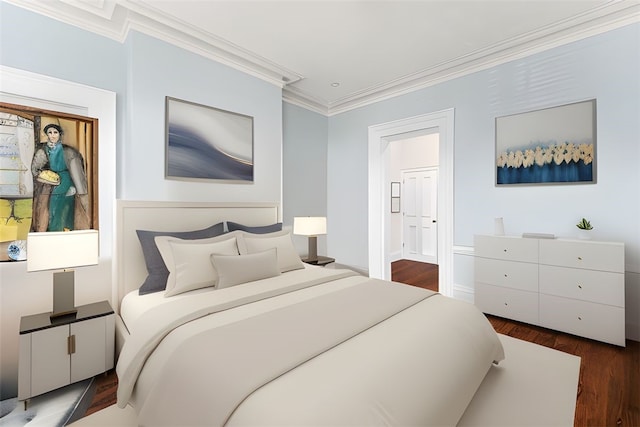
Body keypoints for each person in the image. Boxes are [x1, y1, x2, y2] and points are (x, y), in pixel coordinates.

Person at [31, 123, 90, 231]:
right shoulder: (43, 149)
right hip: (51, 182)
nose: (52, 135)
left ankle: (66, 231)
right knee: (52, 208)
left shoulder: (68, 151)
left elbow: (76, 170)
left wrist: (76, 188)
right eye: (50, 132)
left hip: (67, 181)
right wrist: (43, 174)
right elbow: (35, 169)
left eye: (55, 132)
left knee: (66, 208)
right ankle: (54, 232)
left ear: (60, 134)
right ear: (47, 135)